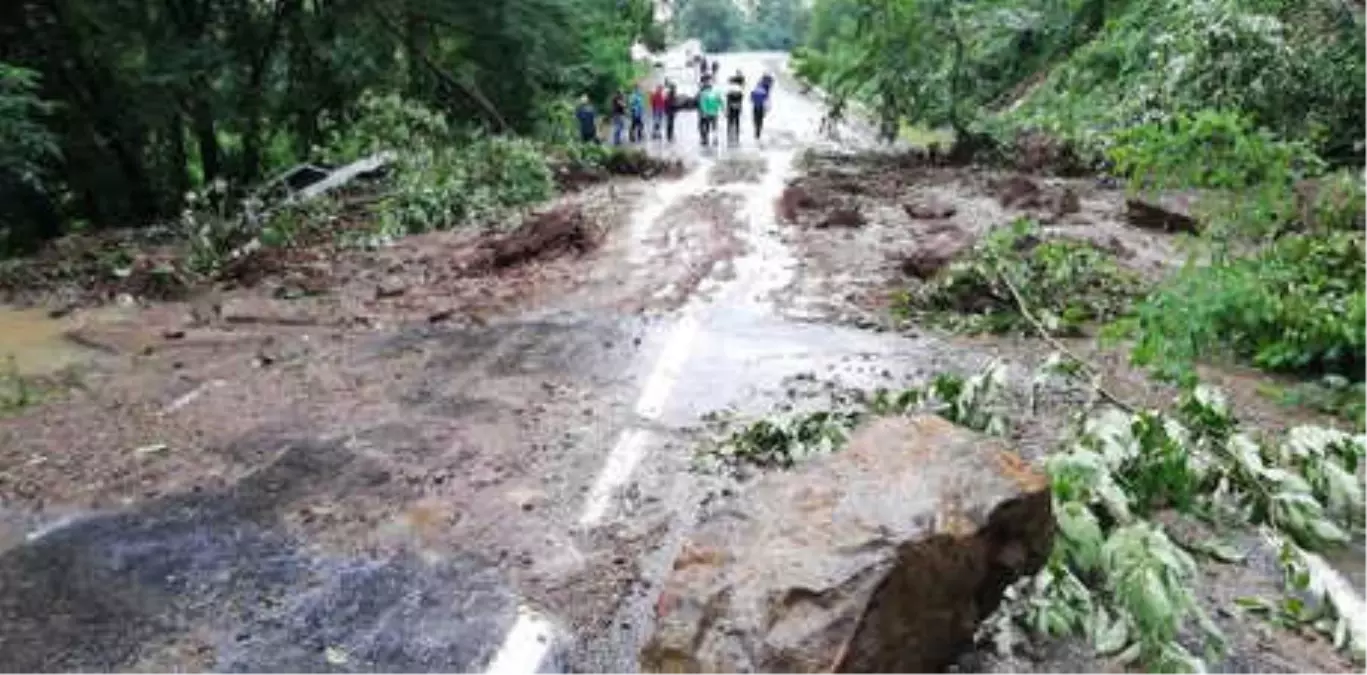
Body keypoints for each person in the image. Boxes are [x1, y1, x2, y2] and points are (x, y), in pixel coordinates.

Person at [697, 83, 723, 147]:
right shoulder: (716, 93)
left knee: (707, 127)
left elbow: (703, 104)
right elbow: (720, 101)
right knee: (714, 127)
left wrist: (704, 112)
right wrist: (722, 109)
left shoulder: (704, 94)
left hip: (708, 113)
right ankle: (715, 139)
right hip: (715, 113)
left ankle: (706, 140)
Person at [725, 77, 745, 144]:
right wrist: (740, 108)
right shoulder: (740, 94)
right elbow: (741, 103)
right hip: (737, 109)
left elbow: (728, 103)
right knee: (737, 121)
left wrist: (726, 110)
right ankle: (737, 133)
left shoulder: (729, 94)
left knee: (730, 121)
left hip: (731, 109)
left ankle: (729, 133)